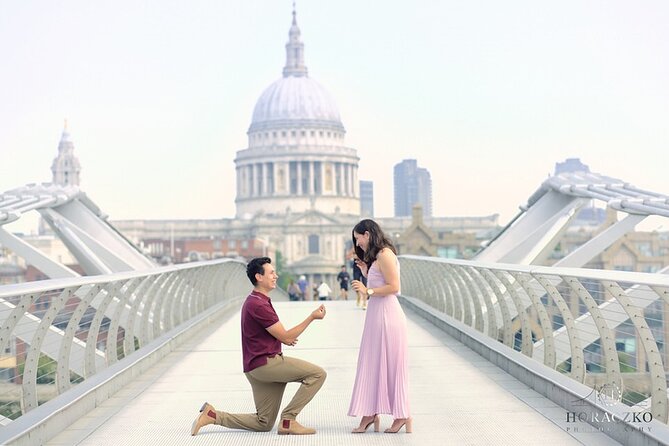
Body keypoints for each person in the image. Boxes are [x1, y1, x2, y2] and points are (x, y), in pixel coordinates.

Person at [191, 257, 327, 436]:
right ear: (259, 277)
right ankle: (288, 419)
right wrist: (311, 317)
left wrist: (284, 338)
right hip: (266, 365)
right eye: (271, 273)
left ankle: (212, 415)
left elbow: (280, 335)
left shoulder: (255, 300)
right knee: (317, 374)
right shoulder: (258, 304)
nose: (276, 276)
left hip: (254, 367)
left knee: (263, 422)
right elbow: (286, 336)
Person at [348, 219, 412, 434]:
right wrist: (367, 272)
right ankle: (370, 412)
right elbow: (380, 281)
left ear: (367, 234)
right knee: (373, 363)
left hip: (387, 315)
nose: (358, 244)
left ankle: (402, 414)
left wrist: (368, 292)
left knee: (391, 365)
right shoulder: (377, 257)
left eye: (359, 238)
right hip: (378, 314)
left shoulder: (385, 254)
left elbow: (394, 287)